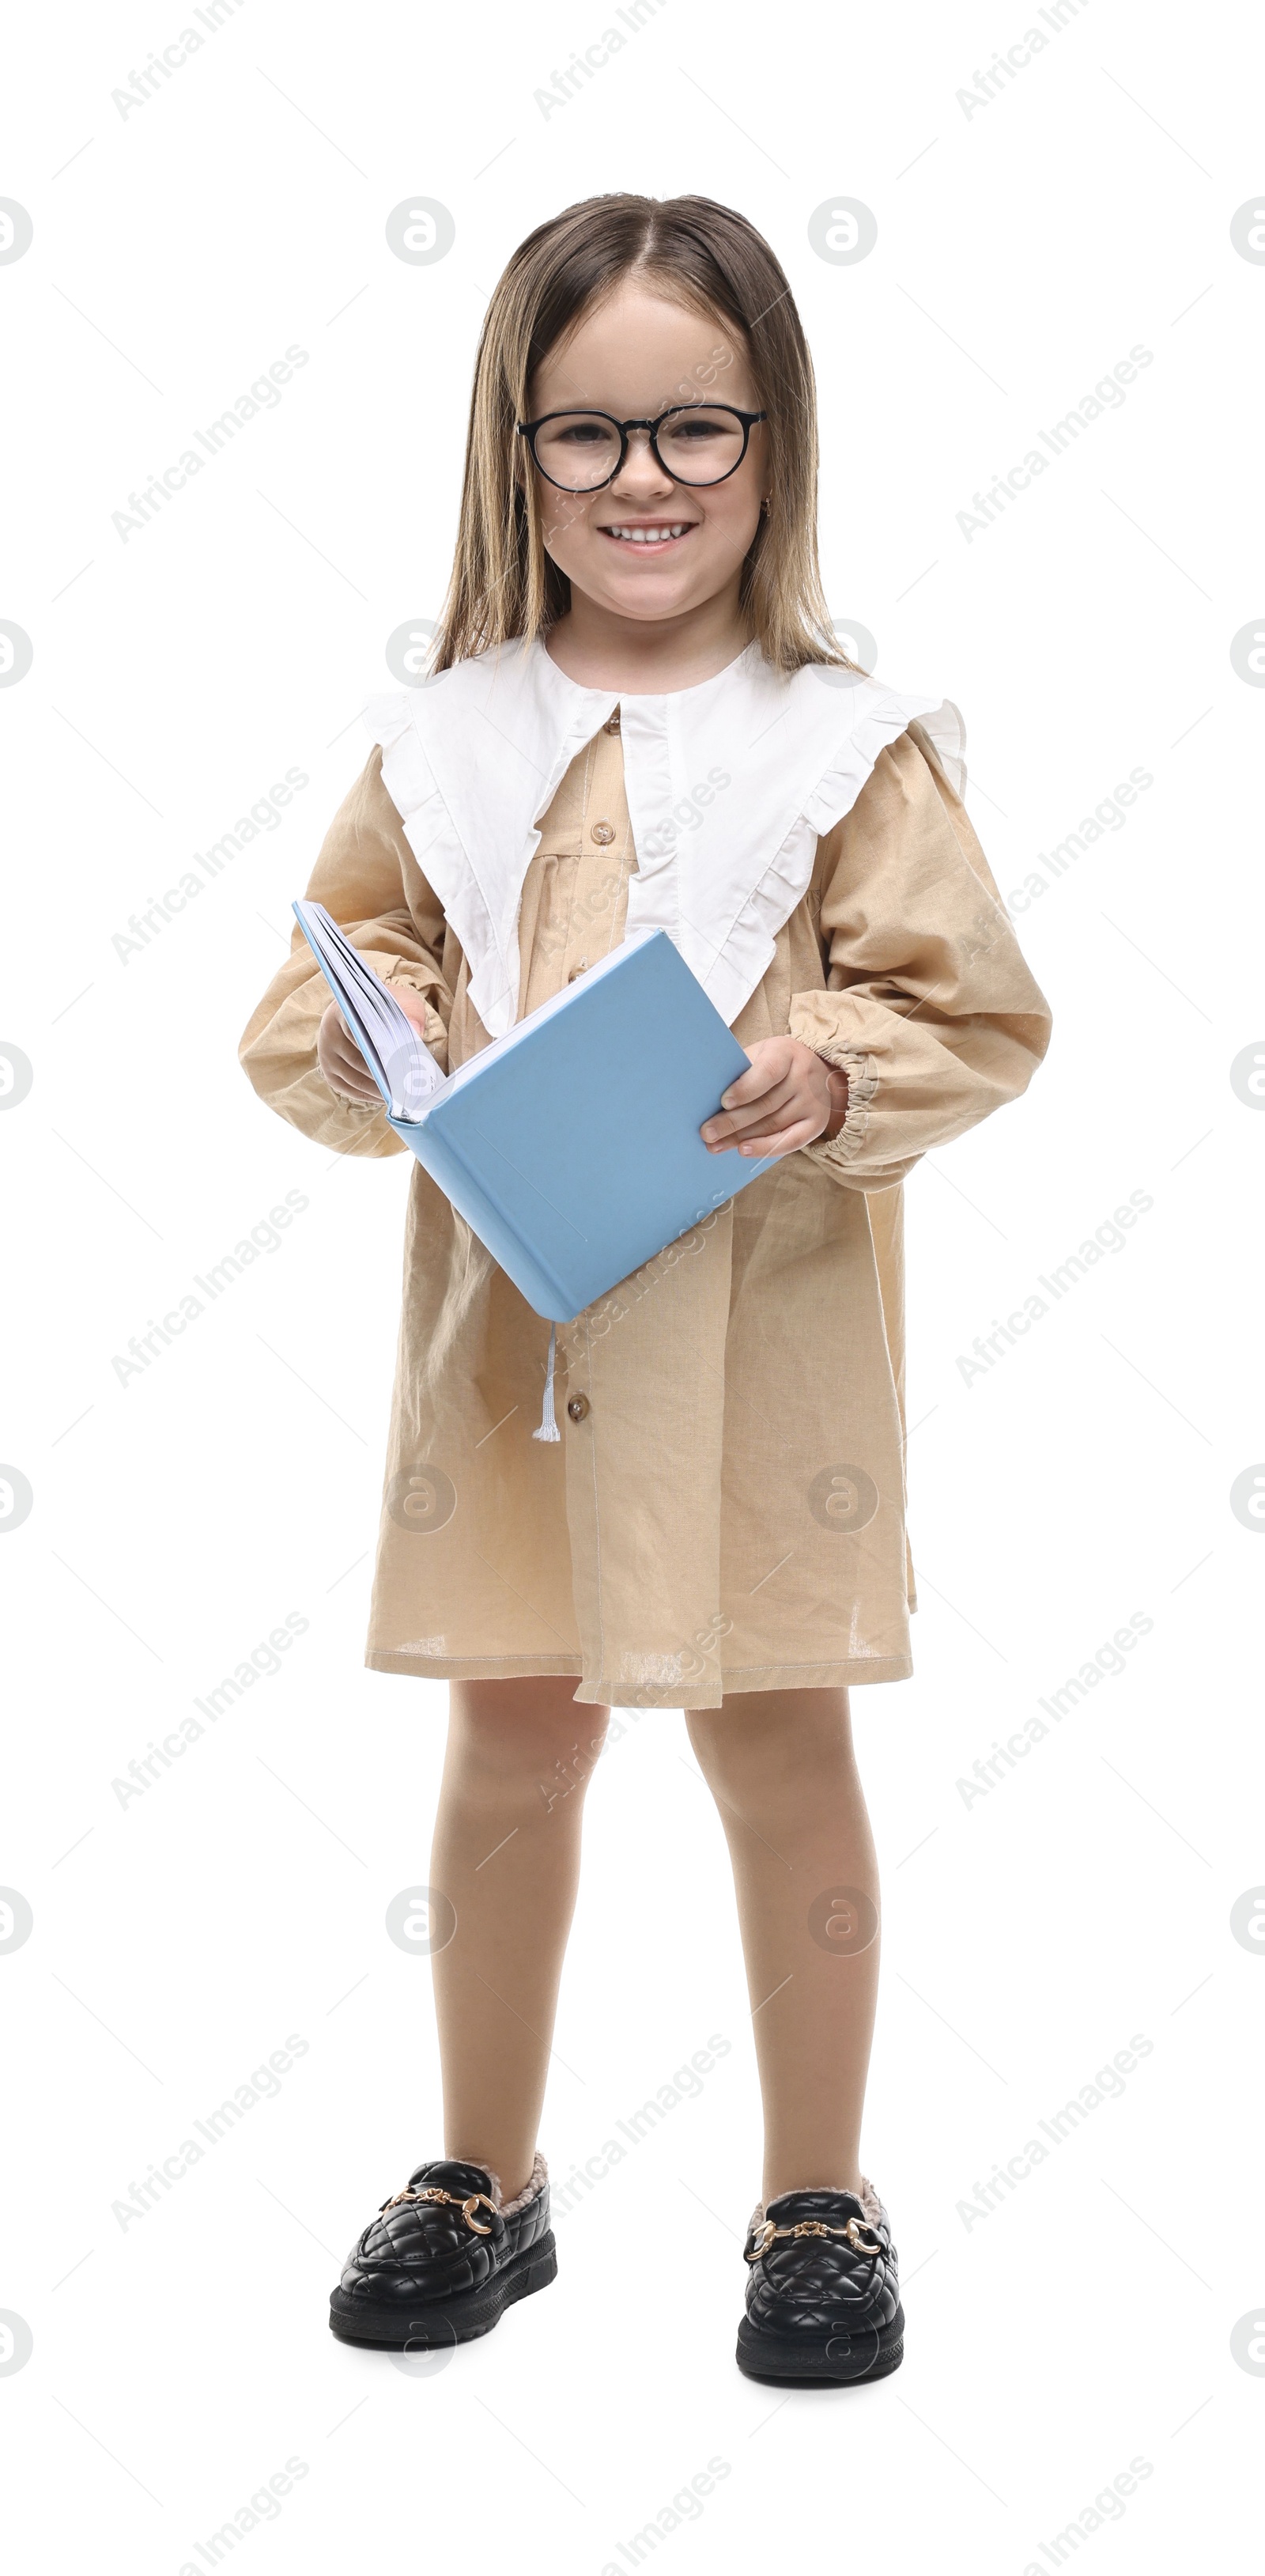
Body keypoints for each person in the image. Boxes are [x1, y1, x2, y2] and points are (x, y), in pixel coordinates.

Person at [239, 191, 1052, 2384]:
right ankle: (482, 2176)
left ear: (776, 438)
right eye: (584, 433)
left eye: (699, 425)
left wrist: (822, 1070)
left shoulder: (844, 734)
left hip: (763, 1327)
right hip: (516, 1328)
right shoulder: (448, 730)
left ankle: (818, 2194)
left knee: (781, 1738)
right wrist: (378, 1019)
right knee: (513, 1730)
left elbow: (973, 1011)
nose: (645, 480)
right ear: (515, 450)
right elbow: (332, 979)